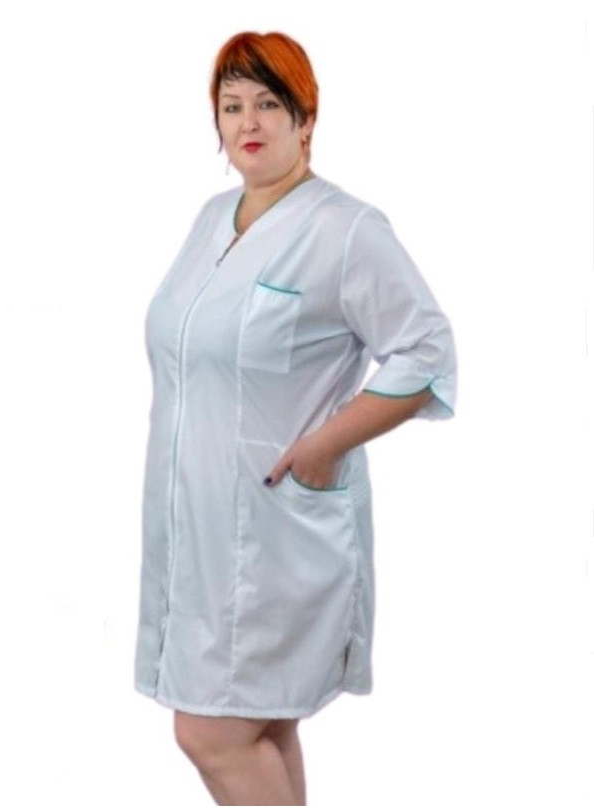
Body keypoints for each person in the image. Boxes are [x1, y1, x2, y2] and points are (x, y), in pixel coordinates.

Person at [134, 30, 457, 806]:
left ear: (306, 118)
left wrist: (325, 445)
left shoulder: (345, 229)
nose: (248, 122)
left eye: (268, 104)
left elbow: (427, 351)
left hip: (276, 529)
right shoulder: (212, 218)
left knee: (211, 731)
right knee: (263, 725)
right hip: (197, 524)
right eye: (231, 105)